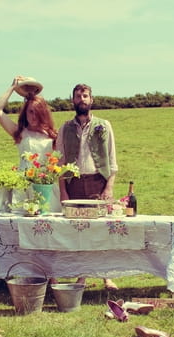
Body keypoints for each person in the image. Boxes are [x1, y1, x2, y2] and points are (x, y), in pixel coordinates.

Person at [56, 83, 119, 290]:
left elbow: (112, 160)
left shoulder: (104, 125)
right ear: (72, 100)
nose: (81, 99)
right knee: (79, 232)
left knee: (101, 231)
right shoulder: (64, 128)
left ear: (91, 100)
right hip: (74, 184)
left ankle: (106, 276)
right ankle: (82, 276)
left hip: (96, 181)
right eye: (77, 96)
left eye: (85, 96)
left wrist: (108, 188)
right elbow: (60, 163)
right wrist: (63, 191)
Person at [0, 76, 61, 212]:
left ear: (43, 113)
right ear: (25, 113)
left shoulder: (53, 136)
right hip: (22, 187)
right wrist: (12, 87)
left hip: (44, 186)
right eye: (30, 111)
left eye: (37, 112)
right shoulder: (19, 133)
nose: (33, 116)